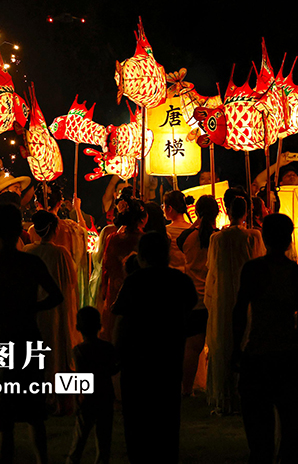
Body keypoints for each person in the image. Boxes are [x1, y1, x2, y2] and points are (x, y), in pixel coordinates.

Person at [0, 203, 63, 464]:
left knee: (4, 418)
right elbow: (56, 295)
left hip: (3, 341)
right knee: (34, 414)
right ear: (19, 230)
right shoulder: (31, 262)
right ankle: (42, 461)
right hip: (29, 337)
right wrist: (32, 307)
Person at [113, 231, 197, 463]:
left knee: (136, 417)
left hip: (136, 358)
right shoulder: (180, 281)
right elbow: (189, 307)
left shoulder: (133, 282)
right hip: (168, 356)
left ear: (141, 255)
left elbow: (120, 320)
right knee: (167, 414)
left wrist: (116, 351)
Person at [232, 213, 298, 464]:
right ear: (289, 240)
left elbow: (239, 311)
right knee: (289, 422)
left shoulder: (253, 270)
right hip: (286, 351)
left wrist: (236, 347)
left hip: (258, 351)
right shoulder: (297, 274)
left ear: (264, 238)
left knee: (257, 423)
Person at [204, 189, 264, 415]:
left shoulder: (217, 238)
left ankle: (225, 394)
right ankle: (244, 394)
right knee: (245, 338)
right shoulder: (253, 237)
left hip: (223, 295)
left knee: (224, 341)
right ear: (246, 213)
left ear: (228, 212)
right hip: (246, 294)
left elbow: (213, 271)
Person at [24, 210, 79, 415]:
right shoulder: (60, 253)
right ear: (55, 229)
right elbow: (71, 281)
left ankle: (38, 395)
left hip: (34, 308)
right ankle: (57, 398)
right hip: (57, 309)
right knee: (58, 347)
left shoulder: (28, 251)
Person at [66, 306, 119, 464]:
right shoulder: (108, 348)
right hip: (106, 397)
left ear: (78, 328)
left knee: (79, 439)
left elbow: (80, 377)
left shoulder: (78, 351)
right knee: (104, 440)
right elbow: (113, 369)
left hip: (88, 400)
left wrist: (77, 399)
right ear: (99, 326)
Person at [179, 194, 219, 396]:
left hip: (193, 299)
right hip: (214, 298)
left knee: (192, 348)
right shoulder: (218, 237)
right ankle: (215, 388)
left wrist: (196, 222)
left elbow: (181, 240)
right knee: (216, 347)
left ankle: (186, 390)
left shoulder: (187, 237)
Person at [99, 197, 147, 340]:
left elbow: (106, 265)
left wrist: (103, 289)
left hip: (115, 290)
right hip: (140, 293)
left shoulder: (113, 238)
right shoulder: (144, 240)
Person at [164, 190, 192, 272]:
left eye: (163, 206)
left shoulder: (166, 230)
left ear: (169, 208)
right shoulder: (192, 229)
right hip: (188, 274)